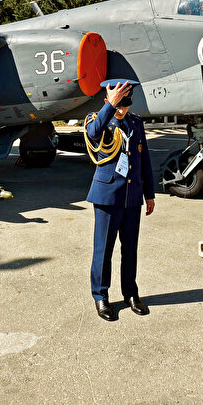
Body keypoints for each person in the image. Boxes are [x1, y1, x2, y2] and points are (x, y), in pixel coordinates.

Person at [83, 78, 155, 321]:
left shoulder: (136, 123)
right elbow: (93, 135)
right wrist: (110, 107)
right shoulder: (98, 119)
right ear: (109, 101)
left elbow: (144, 162)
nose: (122, 110)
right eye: (118, 105)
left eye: (125, 105)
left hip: (132, 197)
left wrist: (150, 194)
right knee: (103, 250)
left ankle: (130, 293)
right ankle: (100, 296)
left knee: (130, 249)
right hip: (106, 197)